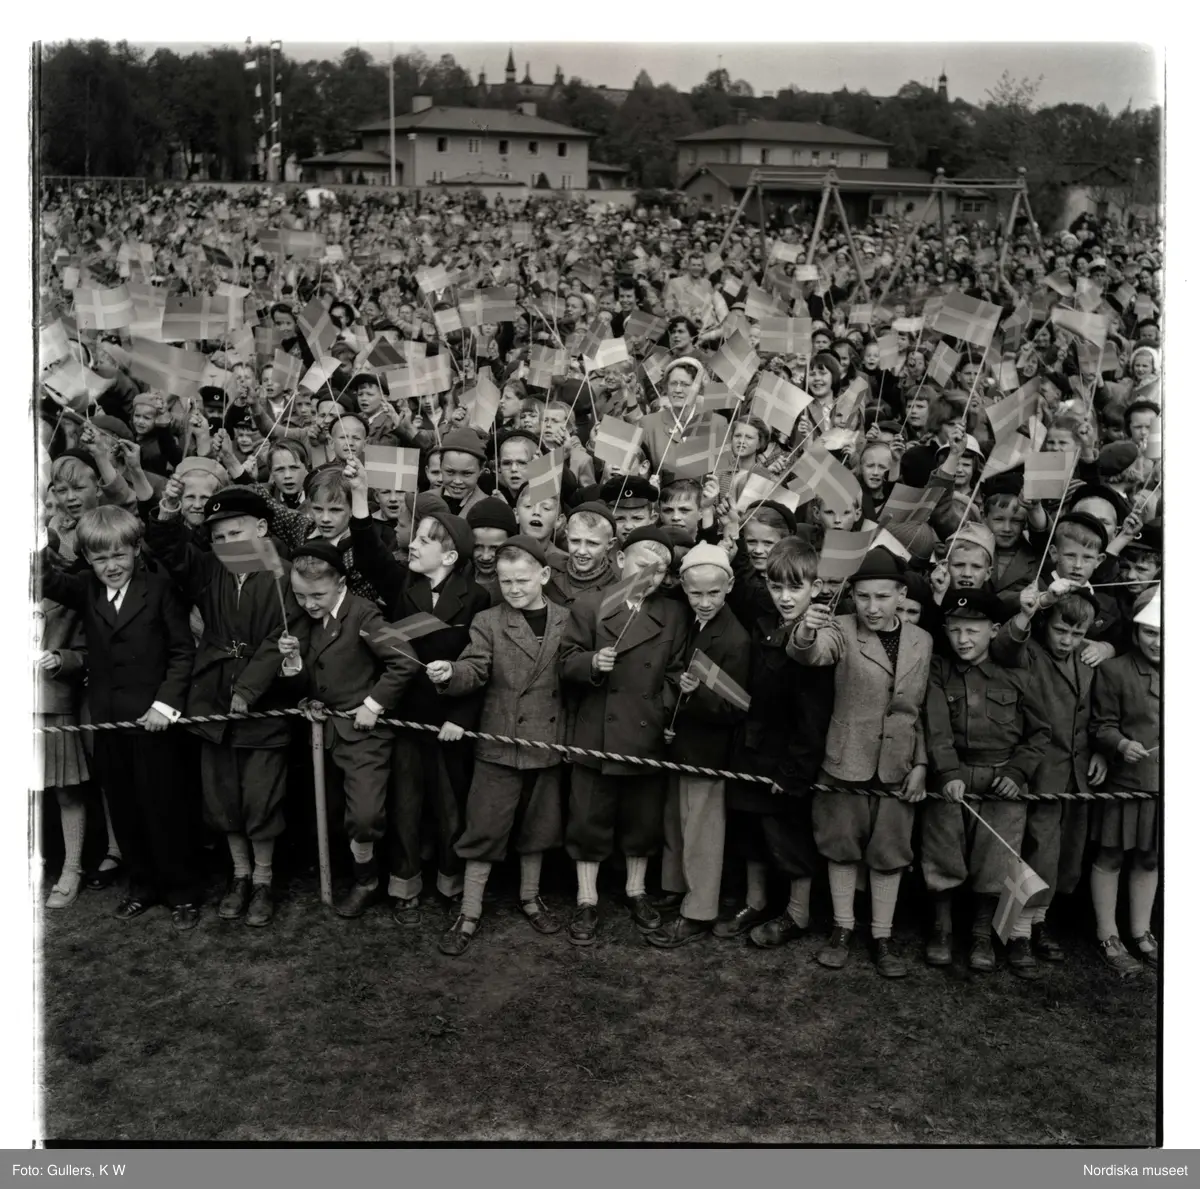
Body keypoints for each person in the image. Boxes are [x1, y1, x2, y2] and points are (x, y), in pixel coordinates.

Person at [147, 483, 306, 928]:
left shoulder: (282, 575)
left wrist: (250, 689)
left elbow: (283, 637)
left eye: (234, 533)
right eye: (216, 536)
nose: (224, 544)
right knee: (223, 798)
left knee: (261, 799)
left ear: (260, 529)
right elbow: (168, 546)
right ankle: (238, 874)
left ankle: (263, 879)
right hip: (211, 701)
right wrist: (170, 508)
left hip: (262, 707)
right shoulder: (209, 571)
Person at [40, 506, 201, 925]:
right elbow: (46, 579)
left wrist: (165, 706)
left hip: (155, 723)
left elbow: (183, 653)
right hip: (109, 723)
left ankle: (182, 891)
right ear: (88, 560)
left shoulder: (159, 589)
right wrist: (36, 538)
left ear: (135, 550)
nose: (111, 566)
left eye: (119, 556)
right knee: (125, 810)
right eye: (100, 559)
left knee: (164, 807)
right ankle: (142, 885)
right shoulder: (87, 590)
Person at [344, 459, 490, 919]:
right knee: (405, 810)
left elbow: (481, 665)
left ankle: (449, 888)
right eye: (416, 536)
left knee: (450, 811)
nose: (414, 543)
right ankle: (405, 888)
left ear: (449, 558)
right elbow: (368, 552)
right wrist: (360, 494)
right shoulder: (402, 584)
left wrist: (460, 720)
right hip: (406, 720)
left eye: (426, 540)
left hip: (449, 723)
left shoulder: (478, 598)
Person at [786, 548, 932, 978]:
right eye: (864, 597)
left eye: (883, 597)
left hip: (898, 763)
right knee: (841, 845)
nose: (872, 607)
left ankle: (882, 936)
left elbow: (919, 708)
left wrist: (921, 763)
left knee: (890, 851)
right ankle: (842, 929)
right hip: (845, 759)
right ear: (853, 596)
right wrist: (806, 633)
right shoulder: (840, 629)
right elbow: (810, 655)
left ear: (900, 594)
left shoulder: (921, 640)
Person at [426, 536, 570, 955]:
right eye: (505, 582)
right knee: (484, 829)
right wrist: (450, 673)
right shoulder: (488, 622)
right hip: (498, 745)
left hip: (546, 743)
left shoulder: (569, 620)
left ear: (543, 575)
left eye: (522, 580)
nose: (513, 589)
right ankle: (469, 911)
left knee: (537, 828)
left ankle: (530, 896)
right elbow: (475, 667)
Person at [560, 526, 689, 946]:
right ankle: (586, 898)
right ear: (619, 561)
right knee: (588, 819)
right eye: (641, 565)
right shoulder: (590, 605)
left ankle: (636, 891)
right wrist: (593, 663)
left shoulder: (673, 613)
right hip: (597, 731)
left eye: (660, 570)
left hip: (645, 733)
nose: (649, 575)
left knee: (641, 821)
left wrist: (659, 709)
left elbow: (675, 671)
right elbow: (565, 662)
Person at [921, 588, 1053, 978]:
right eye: (955, 630)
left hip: (1002, 778)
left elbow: (1040, 732)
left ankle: (982, 934)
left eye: (973, 631)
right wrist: (946, 773)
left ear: (994, 630)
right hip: (954, 776)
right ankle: (942, 929)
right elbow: (936, 726)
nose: (963, 640)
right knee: (943, 851)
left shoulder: (1017, 672)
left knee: (996, 859)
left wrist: (1017, 774)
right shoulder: (940, 670)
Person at [277, 542, 411, 919]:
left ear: (341, 585)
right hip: (323, 737)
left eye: (317, 595)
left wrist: (372, 705)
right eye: (300, 595)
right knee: (333, 814)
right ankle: (350, 872)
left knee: (365, 816)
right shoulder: (304, 619)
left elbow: (406, 660)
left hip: (364, 736)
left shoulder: (365, 615)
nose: (309, 603)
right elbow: (313, 679)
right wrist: (293, 668)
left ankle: (367, 882)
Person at [719, 535, 835, 946]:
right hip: (751, 747)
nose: (784, 597)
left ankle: (797, 914)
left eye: (795, 587)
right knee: (750, 830)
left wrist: (794, 770)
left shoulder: (818, 637)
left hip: (788, 756)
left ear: (816, 588)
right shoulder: (764, 622)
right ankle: (755, 901)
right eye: (776, 586)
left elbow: (813, 717)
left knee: (788, 837)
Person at [991, 580, 1107, 963]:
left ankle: (1039, 922)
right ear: (1045, 625)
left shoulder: (1086, 661)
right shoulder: (1030, 655)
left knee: (1065, 855)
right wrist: (1028, 613)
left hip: (1077, 774)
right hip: (1038, 770)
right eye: (1060, 630)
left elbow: (1091, 717)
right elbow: (1005, 646)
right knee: (1035, 849)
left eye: (1077, 633)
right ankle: (1016, 931)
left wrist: (1100, 753)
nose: (1068, 640)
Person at [647, 543, 749, 948]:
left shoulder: (735, 639)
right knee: (676, 822)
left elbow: (738, 707)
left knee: (702, 834)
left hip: (709, 753)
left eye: (713, 593)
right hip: (682, 745)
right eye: (696, 593)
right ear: (683, 589)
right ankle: (676, 888)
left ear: (730, 588)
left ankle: (700, 909)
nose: (704, 602)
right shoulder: (694, 621)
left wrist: (697, 695)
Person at [1088, 585, 1161, 975]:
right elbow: (1101, 724)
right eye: (1150, 632)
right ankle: (1107, 932)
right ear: (1135, 632)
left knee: (1149, 856)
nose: (1159, 642)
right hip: (1126, 779)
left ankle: (1142, 931)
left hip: (1164, 788)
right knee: (1112, 853)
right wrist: (1119, 743)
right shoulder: (1115, 671)